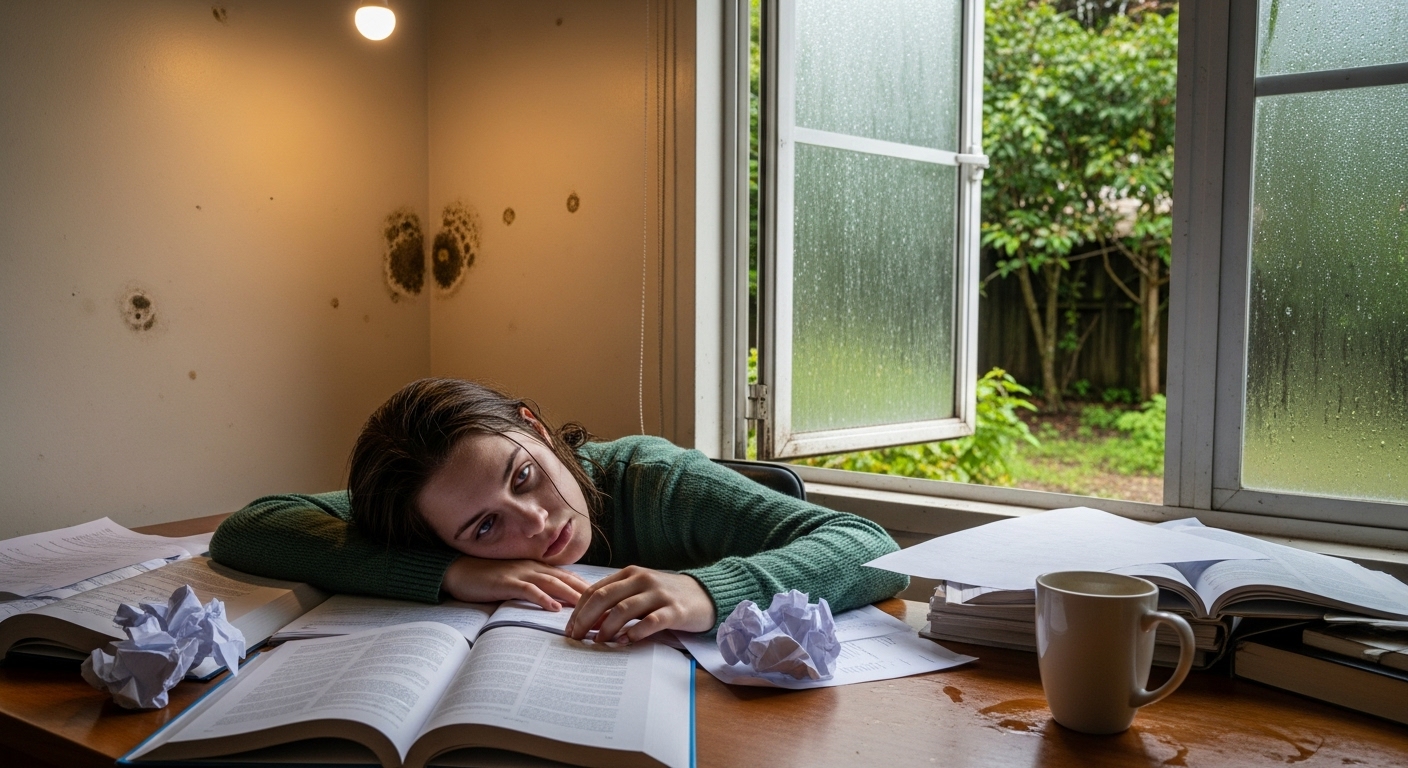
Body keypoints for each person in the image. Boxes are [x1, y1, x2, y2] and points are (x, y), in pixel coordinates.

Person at [210, 378, 908, 643]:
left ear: (535, 427)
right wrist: (448, 573)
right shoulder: (427, 522)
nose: (535, 524)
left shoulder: (655, 481)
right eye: (484, 526)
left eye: (524, 476)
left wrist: (703, 589)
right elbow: (251, 528)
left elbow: (872, 547)